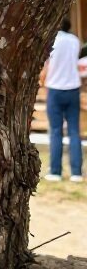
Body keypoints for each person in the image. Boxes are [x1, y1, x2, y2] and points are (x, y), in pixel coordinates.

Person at [41, 18, 83, 182]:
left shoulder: (52, 40)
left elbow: (46, 65)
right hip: (73, 89)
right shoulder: (75, 40)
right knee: (74, 132)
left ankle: (56, 172)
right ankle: (76, 173)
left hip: (55, 89)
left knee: (56, 131)